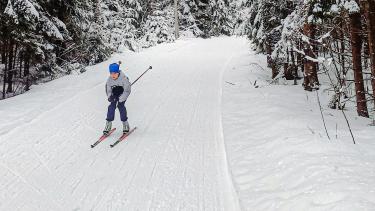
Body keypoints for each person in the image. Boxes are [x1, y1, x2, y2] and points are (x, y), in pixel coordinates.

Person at [103, 63, 131, 135]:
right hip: (114, 96)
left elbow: (127, 91)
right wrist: (110, 96)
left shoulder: (124, 79)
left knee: (120, 106)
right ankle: (108, 124)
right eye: (111, 73)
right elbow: (108, 90)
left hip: (122, 95)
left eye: (115, 73)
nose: (113, 75)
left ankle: (125, 124)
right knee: (111, 107)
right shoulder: (109, 80)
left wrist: (120, 98)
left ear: (118, 72)